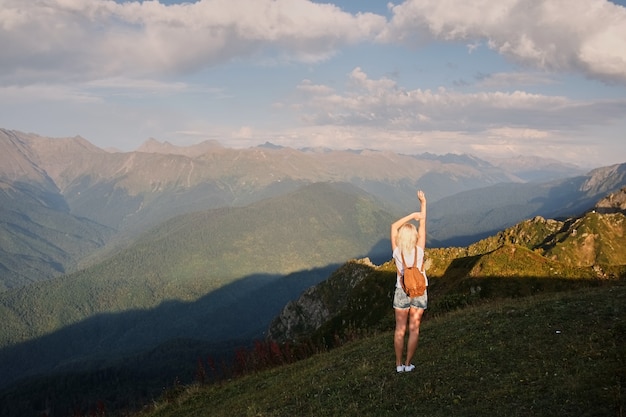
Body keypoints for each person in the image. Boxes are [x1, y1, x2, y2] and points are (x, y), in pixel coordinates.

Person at [390, 190, 427, 373]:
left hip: (401, 290)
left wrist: (411, 215)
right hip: (419, 291)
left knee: (400, 329)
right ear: (414, 238)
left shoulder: (397, 252)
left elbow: (393, 227)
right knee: (414, 329)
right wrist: (422, 204)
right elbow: (423, 223)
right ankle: (408, 364)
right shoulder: (420, 250)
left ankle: (398, 365)